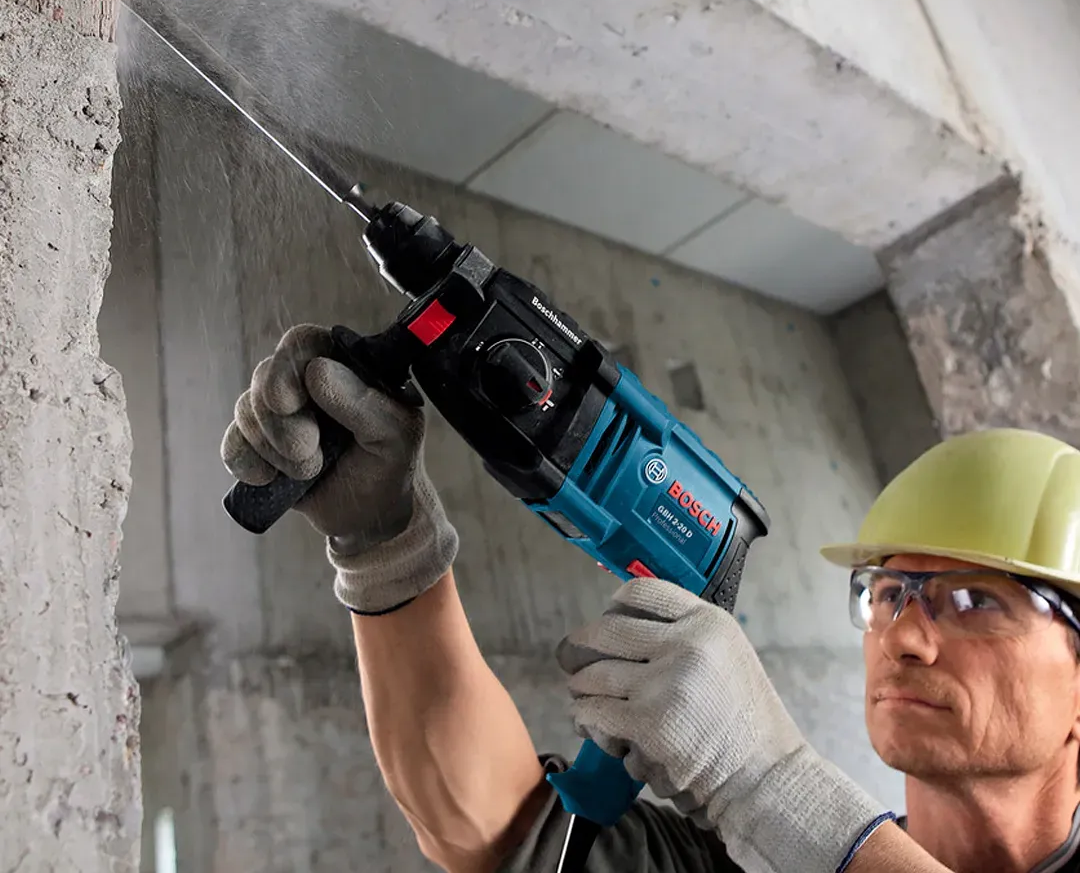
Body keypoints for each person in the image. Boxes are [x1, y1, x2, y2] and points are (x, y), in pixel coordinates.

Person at [222, 325, 1080, 873]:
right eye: (888, 594)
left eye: (973, 601)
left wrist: (768, 781)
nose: (904, 637)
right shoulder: (758, 862)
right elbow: (492, 829)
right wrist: (385, 547)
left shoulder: (777, 819)